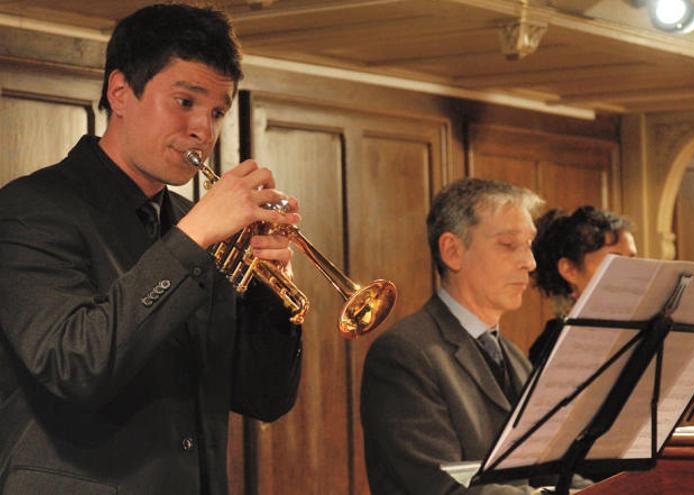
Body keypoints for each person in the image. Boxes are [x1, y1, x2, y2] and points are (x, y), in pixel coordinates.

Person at [0, 5, 303, 494]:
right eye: (185, 101)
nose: (204, 129)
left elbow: (262, 397)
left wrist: (274, 288)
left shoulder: (195, 223)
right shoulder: (30, 208)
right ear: (120, 93)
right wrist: (191, 240)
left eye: (218, 112)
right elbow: (75, 364)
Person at [360, 177, 548, 494]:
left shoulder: (514, 357)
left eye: (529, 245)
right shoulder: (404, 354)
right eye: (508, 244)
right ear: (452, 251)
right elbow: (442, 488)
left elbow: (550, 472)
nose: (529, 263)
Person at [528, 206, 637, 365]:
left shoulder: (648, 329)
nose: (631, 272)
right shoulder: (552, 344)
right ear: (569, 270)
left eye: (632, 260)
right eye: (614, 261)